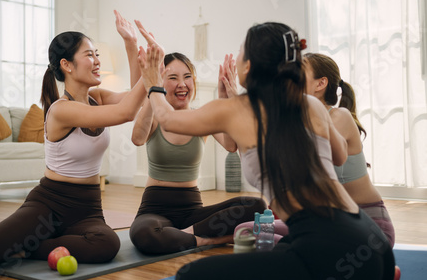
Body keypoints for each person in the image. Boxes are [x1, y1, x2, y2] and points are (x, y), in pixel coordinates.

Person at [135, 21, 395, 279]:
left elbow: (168, 119)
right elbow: (339, 156)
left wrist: (152, 82)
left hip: (325, 247)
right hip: (371, 241)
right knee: (282, 251)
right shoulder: (312, 105)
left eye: (239, 51)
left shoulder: (232, 110)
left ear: (248, 65)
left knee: (190, 274)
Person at [0, 11, 148, 268]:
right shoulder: (61, 109)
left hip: (87, 207)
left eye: (97, 54)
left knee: (107, 244)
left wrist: (130, 44)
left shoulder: (100, 97)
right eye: (89, 55)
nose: (96, 61)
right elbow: (126, 112)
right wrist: (151, 74)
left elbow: (135, 99)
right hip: (49, 204)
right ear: (67, 65)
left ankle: (24, 246)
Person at [129, 51, 266, 254]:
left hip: (193, 210)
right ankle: (205, 240)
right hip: (154, 208)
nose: (182, 84)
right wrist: (152, 88)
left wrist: (226, 102)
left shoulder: (201, 116)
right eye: (173, 78)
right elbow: (138, 138)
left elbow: (231, 145)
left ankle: (181, 236)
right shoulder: (156, 115)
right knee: (144, 233)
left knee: (257, 205)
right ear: (160, 81)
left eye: (187, 77)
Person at [303, 52, 395, 247]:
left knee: (301, 246)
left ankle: (384, 271)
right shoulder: (299, 121)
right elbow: (232, 144)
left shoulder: (340, 117)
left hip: (369, 225)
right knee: (252, 231)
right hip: (330, 220)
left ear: (320, 84)